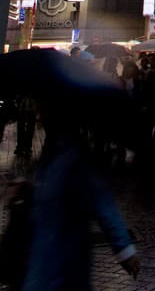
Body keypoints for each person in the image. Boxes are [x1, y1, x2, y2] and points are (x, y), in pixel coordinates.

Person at [20, 101, 140, 291]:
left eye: (43, 111)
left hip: (65, 260)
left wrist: (124, 249)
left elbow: (102, 201)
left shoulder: (73, 157)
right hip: (45, 259)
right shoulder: (49, 156)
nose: (39, 117)